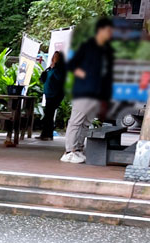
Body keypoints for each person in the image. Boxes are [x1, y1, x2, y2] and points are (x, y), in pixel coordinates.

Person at [62, 17, 114, 164]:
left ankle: (78, 149)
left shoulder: (107, 49)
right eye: (109, 30)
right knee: (76, 120)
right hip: (84, 89)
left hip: (97, 91)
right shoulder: (87, 45)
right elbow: (71, 65)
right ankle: (69, 151)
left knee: (86, 122)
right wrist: (84, 75)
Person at [38, 50, 67, 142]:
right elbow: (43, 79)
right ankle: (45, 133)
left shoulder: (60, 69)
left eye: (57, 57)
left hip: (55, 94)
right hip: (48, 93)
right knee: (48, 114)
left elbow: (59, 79)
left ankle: (47, 134)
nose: (55, 58)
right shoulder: (50, 68)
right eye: (54, 56)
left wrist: (54, 68)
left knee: (49, 115)